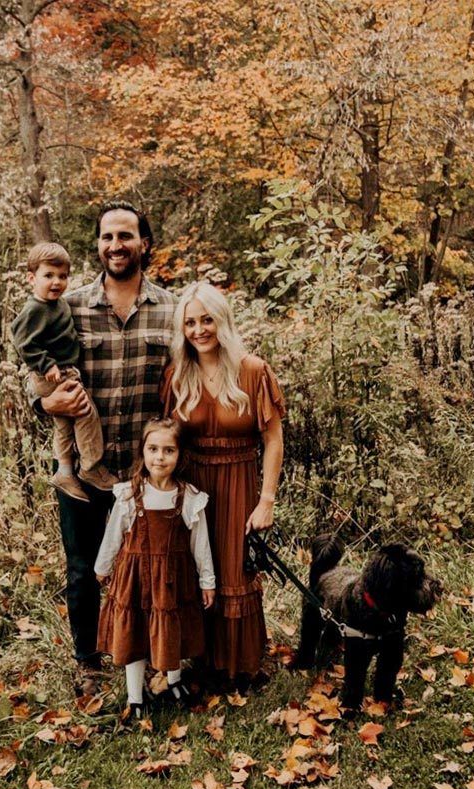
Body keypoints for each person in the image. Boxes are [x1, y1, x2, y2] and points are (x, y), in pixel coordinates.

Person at [28, 201, 176, 694]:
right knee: (82, 568)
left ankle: (156, 657)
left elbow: (189, 380)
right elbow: (32, 374)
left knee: (153, 566)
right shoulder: (67, 307)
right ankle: (88, 663)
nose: (116, 245)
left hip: (145, 471)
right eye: (108, 236)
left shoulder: (172, 310)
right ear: (98, 245)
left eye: (126, 236)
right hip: (82, 470)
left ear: (144, 243)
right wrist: (47, 402)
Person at [161, 281, 285, 690]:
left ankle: (240, 666)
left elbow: (272, 439)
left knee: (234, 570)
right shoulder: (178, 375)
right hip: (192, 487)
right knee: (196, 570)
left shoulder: (252, 370)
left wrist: (266, 500)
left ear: (223, 321)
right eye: (190, 322)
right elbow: (166, 439)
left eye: (207, 319)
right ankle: (200, 664)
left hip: (237, 483)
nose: (199, 330)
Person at [94, 418, 215, 720]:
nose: (159, 457)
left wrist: (207, 580)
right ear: (143, 452)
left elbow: (201, 543)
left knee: (170, 630)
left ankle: (174, 681)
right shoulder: (130, 494)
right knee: (134, 634)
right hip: (134, 577)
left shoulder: (188, 497)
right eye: (153, 449)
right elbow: (114, 535)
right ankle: (135, 697)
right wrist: (102, 567)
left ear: (180, 455)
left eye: (168, 450)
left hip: (173, 580)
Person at [12, 242, 117, 502]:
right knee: (85, 413)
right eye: (48, 276)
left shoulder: (59, 304)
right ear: (31, 278)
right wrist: (47, 364)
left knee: (65, 423)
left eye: (62, 276)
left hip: (63, 370)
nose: (56, 282)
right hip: (53, 374)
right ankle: (91, 467)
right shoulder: (35, 308)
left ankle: (65, 470)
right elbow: (23, 342)